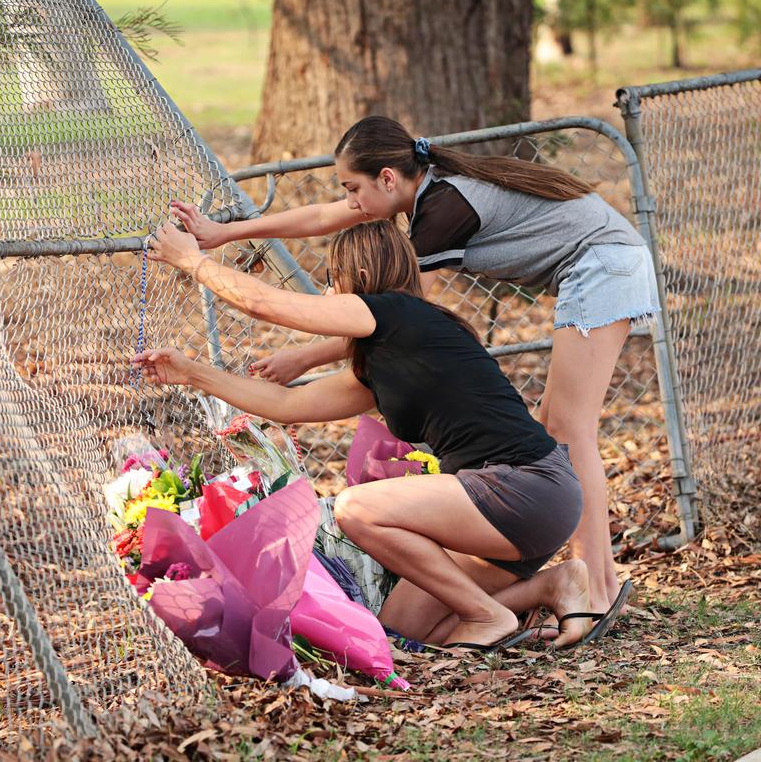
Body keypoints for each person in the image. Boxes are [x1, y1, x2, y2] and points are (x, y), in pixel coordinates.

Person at [168, 115, 655, 628]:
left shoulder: (441, 213)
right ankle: (552, 588)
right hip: (595, 264)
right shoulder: (421, 189)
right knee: (554, 423)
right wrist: (226, 233)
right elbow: (320, 218)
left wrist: (304, 355)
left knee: (569, 429)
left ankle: (598, 587)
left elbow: (375, 312)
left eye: (354, 189)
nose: (350, 203)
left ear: (388, 178)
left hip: (602, 264)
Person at [135, 218, 593, 649]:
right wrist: (192, 374)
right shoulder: (391, 356)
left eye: (333, 281)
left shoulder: (397, 313)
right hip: (514, 508)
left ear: (358, 273)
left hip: (524, 486)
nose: (329, 293)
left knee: (356, 510)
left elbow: (264, 305)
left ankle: (489, 616)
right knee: (403, 627)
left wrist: (192, 262)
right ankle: (551, 585)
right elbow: (287, 405)